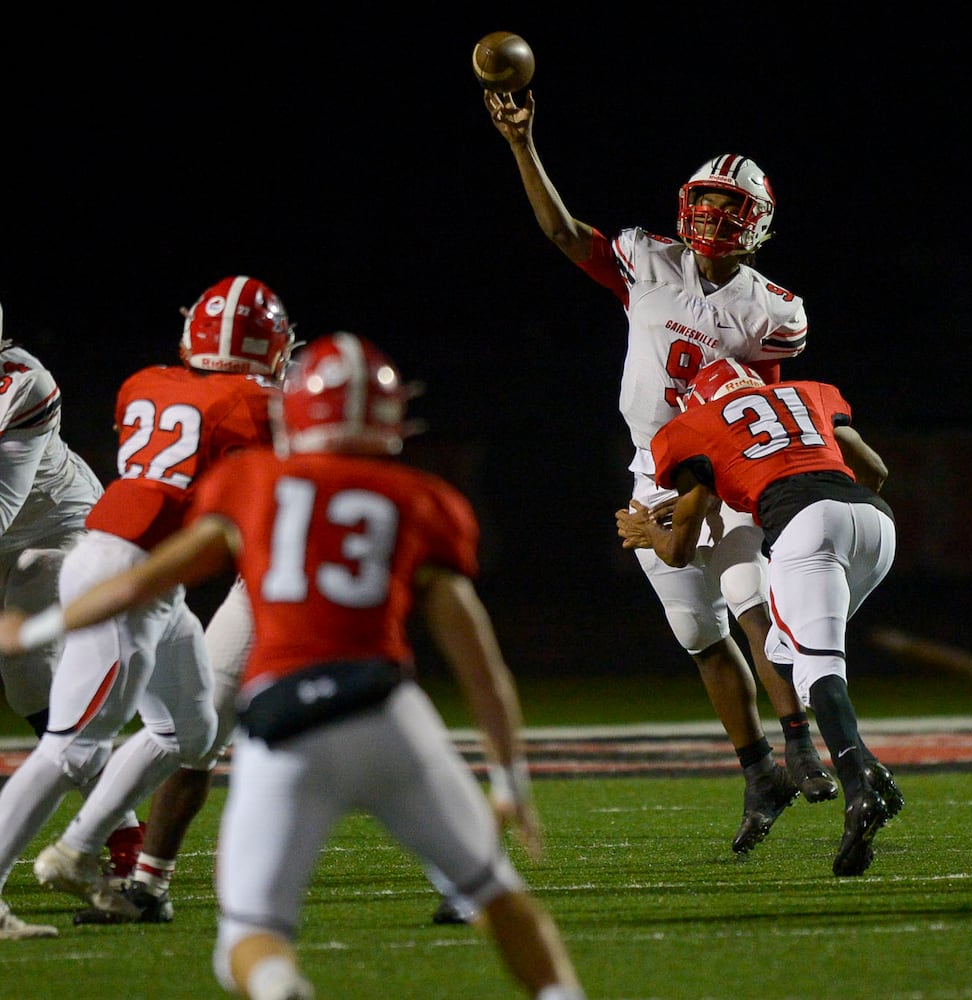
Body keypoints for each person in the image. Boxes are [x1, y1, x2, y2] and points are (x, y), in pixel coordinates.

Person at [0, 331, 588, 1000]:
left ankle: (265, 976)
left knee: (250, 937)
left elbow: (140, 580)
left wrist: (39, 628)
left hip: (283, 724)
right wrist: (508, 777)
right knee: (495, 896)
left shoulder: (248, 483)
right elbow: (480, 666)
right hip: (386, 711)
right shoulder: (424, 501)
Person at [484, 89, 836, 855]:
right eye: (704, 201)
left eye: (728, 205)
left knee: (750, 598)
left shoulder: (775, 308)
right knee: (696, 632)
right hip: (652, 467)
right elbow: (560, 231)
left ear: (758, 220)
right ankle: (757, 772)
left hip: (728, 464)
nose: (711, 216)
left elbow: (761, 410)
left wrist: (719, 492)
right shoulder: (648, 260)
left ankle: (799, 738)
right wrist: (522, 143)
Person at [0, 275, 293, 938]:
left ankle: (79, 847)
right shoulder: (256, 405)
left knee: (187, 732)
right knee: (70, 750)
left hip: (145, 574)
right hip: (128, 570)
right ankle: (53, 857)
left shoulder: (146, 383)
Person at [615, 358, 905, 876]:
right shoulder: (808, 393)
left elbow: (678, 550)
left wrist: (647, 533)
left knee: (818, 669)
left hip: (808, 526)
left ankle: (859, 782)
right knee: (789, 652)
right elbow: (876, 471)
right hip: (875, 523)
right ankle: (861, 764)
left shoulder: (695, 426)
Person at [0, 301, 146, 939]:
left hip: (64, 538)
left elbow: (2, 511)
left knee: (29, 674)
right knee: (35, 695)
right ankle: (127, 839)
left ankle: (123, 837)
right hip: (19, 546)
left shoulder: (21, 381)